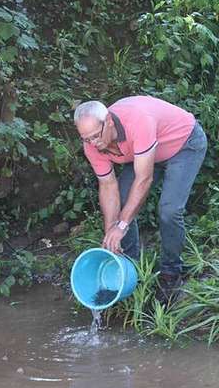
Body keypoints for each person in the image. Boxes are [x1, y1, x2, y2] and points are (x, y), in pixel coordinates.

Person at [74, 95, 208, 302]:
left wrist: (122, 226)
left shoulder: (137, 121)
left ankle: (171, 273)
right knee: (120, 209)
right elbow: (108, 186)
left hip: (183, 144)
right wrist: (111, 229)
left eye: (95, 136)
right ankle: (130, 269)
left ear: (109, 121)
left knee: (169, 210)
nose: (94, 143)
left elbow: (144, 179)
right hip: (146, 152)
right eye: (86, 139)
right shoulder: (92, 145)